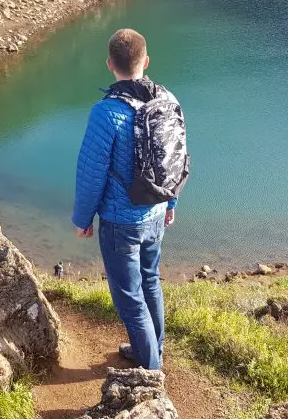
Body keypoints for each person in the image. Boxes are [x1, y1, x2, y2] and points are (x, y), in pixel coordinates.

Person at [72, 28, 190, 371]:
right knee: (150, 281)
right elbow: (175, 157)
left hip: (120, 222)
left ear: (110, 64)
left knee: (129, 298)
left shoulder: (106, 113)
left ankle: (151, 373)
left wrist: (83, 219)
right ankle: (153, 349)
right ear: (146, 61)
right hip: (155, 214)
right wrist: (170, 203)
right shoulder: (167, 100)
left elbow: (91, 173)